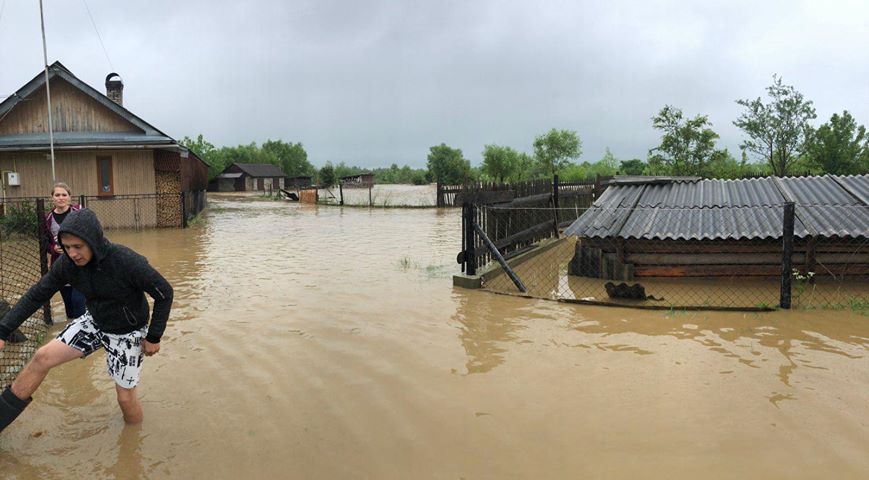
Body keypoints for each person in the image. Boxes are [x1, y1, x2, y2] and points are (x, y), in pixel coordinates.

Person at [0, 209, 173, 433]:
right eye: (67, 247)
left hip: (127, 332)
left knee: (125, 399)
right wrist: (3, 331)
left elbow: (164, 293)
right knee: (42, 357)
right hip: (94, 321)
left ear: (94, 241)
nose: (72, 253)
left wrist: (154, 336)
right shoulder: (66, 265)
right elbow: (37, 294)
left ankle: (133, 444)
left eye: (78, 247)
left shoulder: (125, 260)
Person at [45, 182, 86, 319]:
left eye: (64, 194)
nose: (61, 198)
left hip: (81, 262)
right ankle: (70, 335)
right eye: (57, 195)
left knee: (78, 301)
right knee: (69, 306)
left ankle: (85, 333)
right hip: (60, 264)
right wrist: (53, 248)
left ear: (69, 197)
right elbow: (44, 242)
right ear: (52, 198)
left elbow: (90, 233)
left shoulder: (79, 212)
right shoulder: (47, 218)